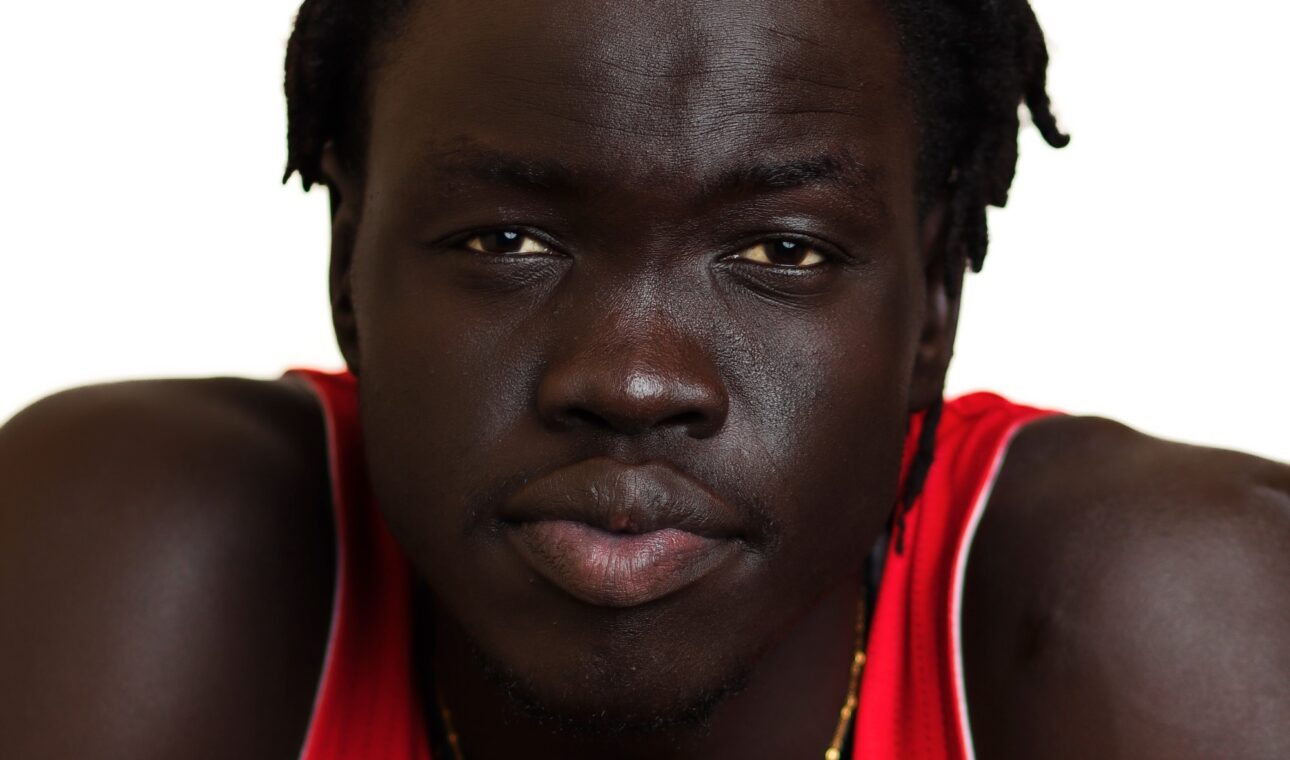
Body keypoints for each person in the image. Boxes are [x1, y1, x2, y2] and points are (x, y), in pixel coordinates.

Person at [1, 1, 1287, 759]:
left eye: (782, 251)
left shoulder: (1172, 616)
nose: (629, 379)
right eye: (507, 241)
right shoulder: (141, 549)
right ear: (348, 260)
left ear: (933, 304)